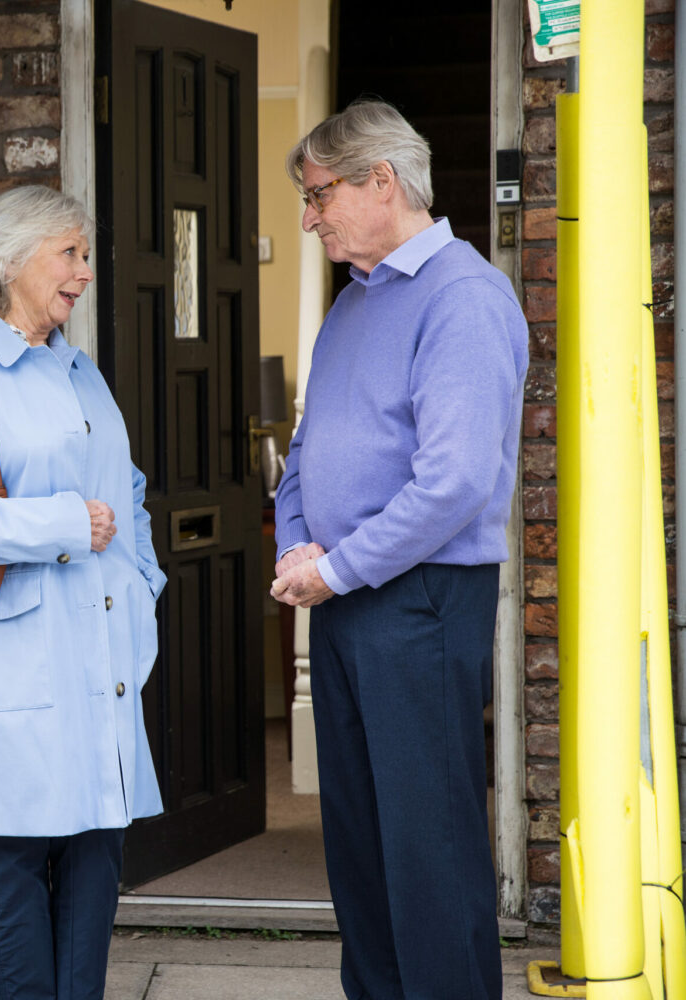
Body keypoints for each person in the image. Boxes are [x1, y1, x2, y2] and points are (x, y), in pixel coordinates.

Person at [272, 100, 528, 1000]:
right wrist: (299, 541)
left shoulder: (463, 297)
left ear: (382, 181)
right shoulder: (354, 303)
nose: (309, 217)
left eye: (318, 194)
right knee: (362, 845)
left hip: (419, 603)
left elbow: (454, 482)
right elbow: (307, 449)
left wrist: (334, 566)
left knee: (430, 848)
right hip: (348, 600)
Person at [0, 185, 167, 1000]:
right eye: (69, 254)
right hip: (14, 664)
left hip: (101, 658)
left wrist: (143, 582)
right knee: (14, 878)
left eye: (86, 254)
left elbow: (129, 491)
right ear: (10, 261)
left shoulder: (80, 373)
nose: (85, 272)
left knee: (93, 869)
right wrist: (60, 525)